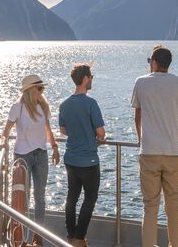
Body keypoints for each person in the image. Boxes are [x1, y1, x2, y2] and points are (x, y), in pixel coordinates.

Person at [132, 45, 178, 247]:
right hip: (173, 153)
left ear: (153, 62)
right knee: (173, 205)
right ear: (168, 64)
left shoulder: (141, 83)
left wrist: (141, 140)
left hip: (149, 152)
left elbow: (138, 117)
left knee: (150, 207)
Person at [2, 74, 60, 244]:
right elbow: (6, 131)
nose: (42, 91)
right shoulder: (17, 108)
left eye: (42, 88)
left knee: (40, 197)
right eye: (40, 88)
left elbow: (48, 130)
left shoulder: (43, 107)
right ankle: (23, 237)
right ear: (31, 90)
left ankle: (37, 236)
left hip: (41, 155)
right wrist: (4, 143)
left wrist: (55, 148)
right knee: (23, 198)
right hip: (23, 156)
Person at [58, 64, 106, 247]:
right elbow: (100, 132)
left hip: (71, 159)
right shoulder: (90, 103)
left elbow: (63, 130)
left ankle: (70, 235)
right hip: (89, 160)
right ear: (85, 78)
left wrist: (77, 132)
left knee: (72, 197)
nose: (92, 79)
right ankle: (79, 238)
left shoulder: (64, 104)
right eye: (91, 76)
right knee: (90, 198)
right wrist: (98, 137)